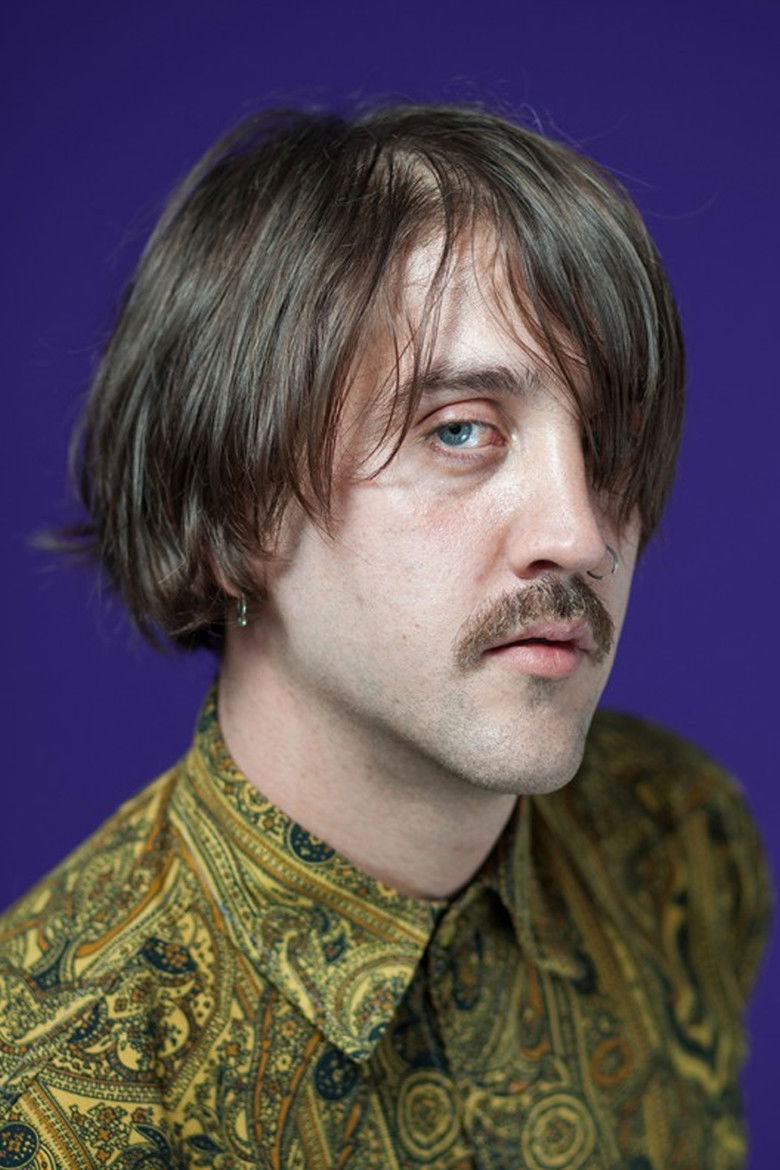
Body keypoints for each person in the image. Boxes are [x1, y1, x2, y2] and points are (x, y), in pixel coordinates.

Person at [0, 103, 770, 1169]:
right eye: (460, 430)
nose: (581, 533)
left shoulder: (677, 836)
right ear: (233, 517)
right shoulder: (51, 1093)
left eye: (606, 443)